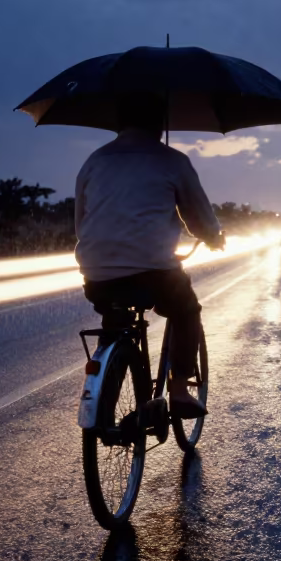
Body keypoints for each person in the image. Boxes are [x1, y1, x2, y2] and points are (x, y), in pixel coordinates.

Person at [75, 93, 225, 418]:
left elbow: (81, 221)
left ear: (118, 122)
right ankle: (181, 389)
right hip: (154, 271)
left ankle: (103, 410)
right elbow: (198, 217)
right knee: (186, 310)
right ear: (160, 124)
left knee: (115, 325)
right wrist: (214, 238)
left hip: (97, 272)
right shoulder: (172, 161)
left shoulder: (95, 160)